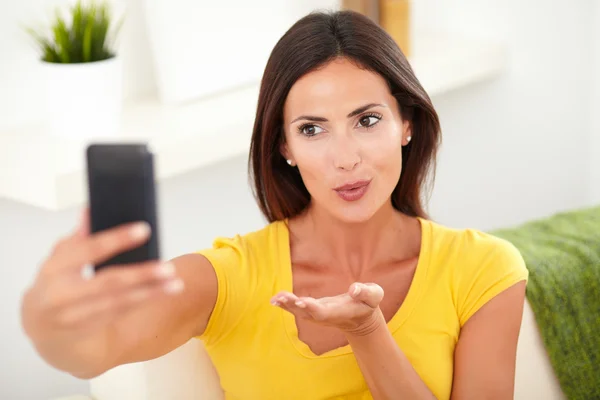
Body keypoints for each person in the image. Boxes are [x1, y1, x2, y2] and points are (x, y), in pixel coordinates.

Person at [20, 10, 529, 400]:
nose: (345, 159)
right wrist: (46, 318)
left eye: (367, 120)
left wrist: (367, 330)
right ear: (283, 146)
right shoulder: (230, 278)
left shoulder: (483, 269)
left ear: (407, 123)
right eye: (312, 129)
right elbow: (93, 351)